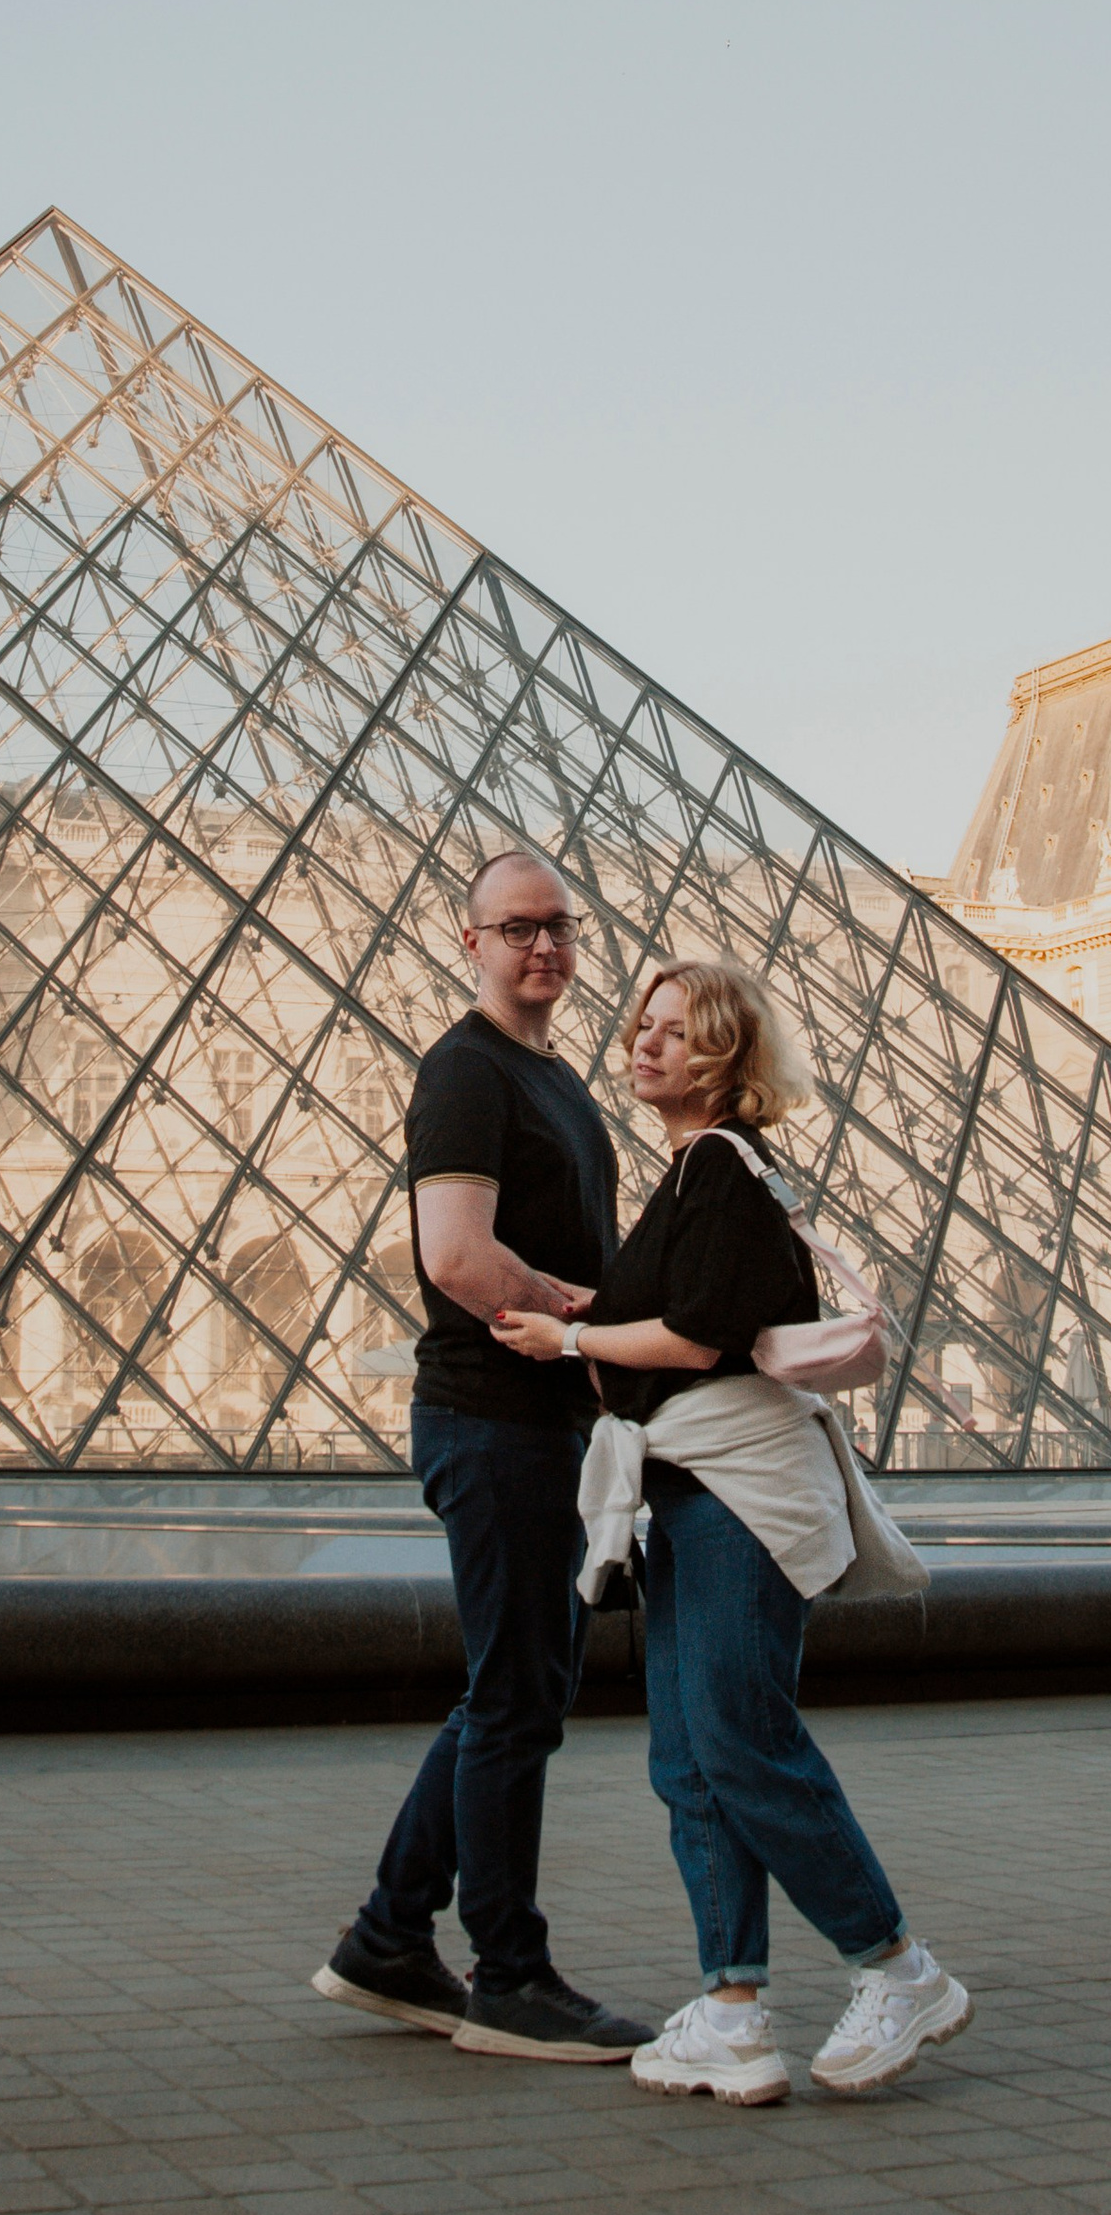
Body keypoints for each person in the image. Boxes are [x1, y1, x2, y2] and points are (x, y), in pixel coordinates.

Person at [495, 955, 971, 2106]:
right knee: (688, 1760)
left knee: (741, 1741)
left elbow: (700, 1336)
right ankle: (731, 2011)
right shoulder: (694, 1175)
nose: (644, 1044)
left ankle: (897, 1968)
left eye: (674, 1030)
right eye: (642, 1026)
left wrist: (570, 1339)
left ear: (724, 1058)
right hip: (690, 1491)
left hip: (736, 1495)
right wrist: (593, 1310)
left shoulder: (717, 1163)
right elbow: (679, 1312)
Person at [312, 851, 656, 2065]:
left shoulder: (552, 1076)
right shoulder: (465, 1071)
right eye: (517, 927)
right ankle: (507, 1974)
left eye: (559, 925)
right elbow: (456, 1257)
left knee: (514, 1690)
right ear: (470, 942)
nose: (543, 945)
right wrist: (589, 1331)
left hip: (539, 1423)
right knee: (516, 1698)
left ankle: (388, 1938)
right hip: (493, 1418)